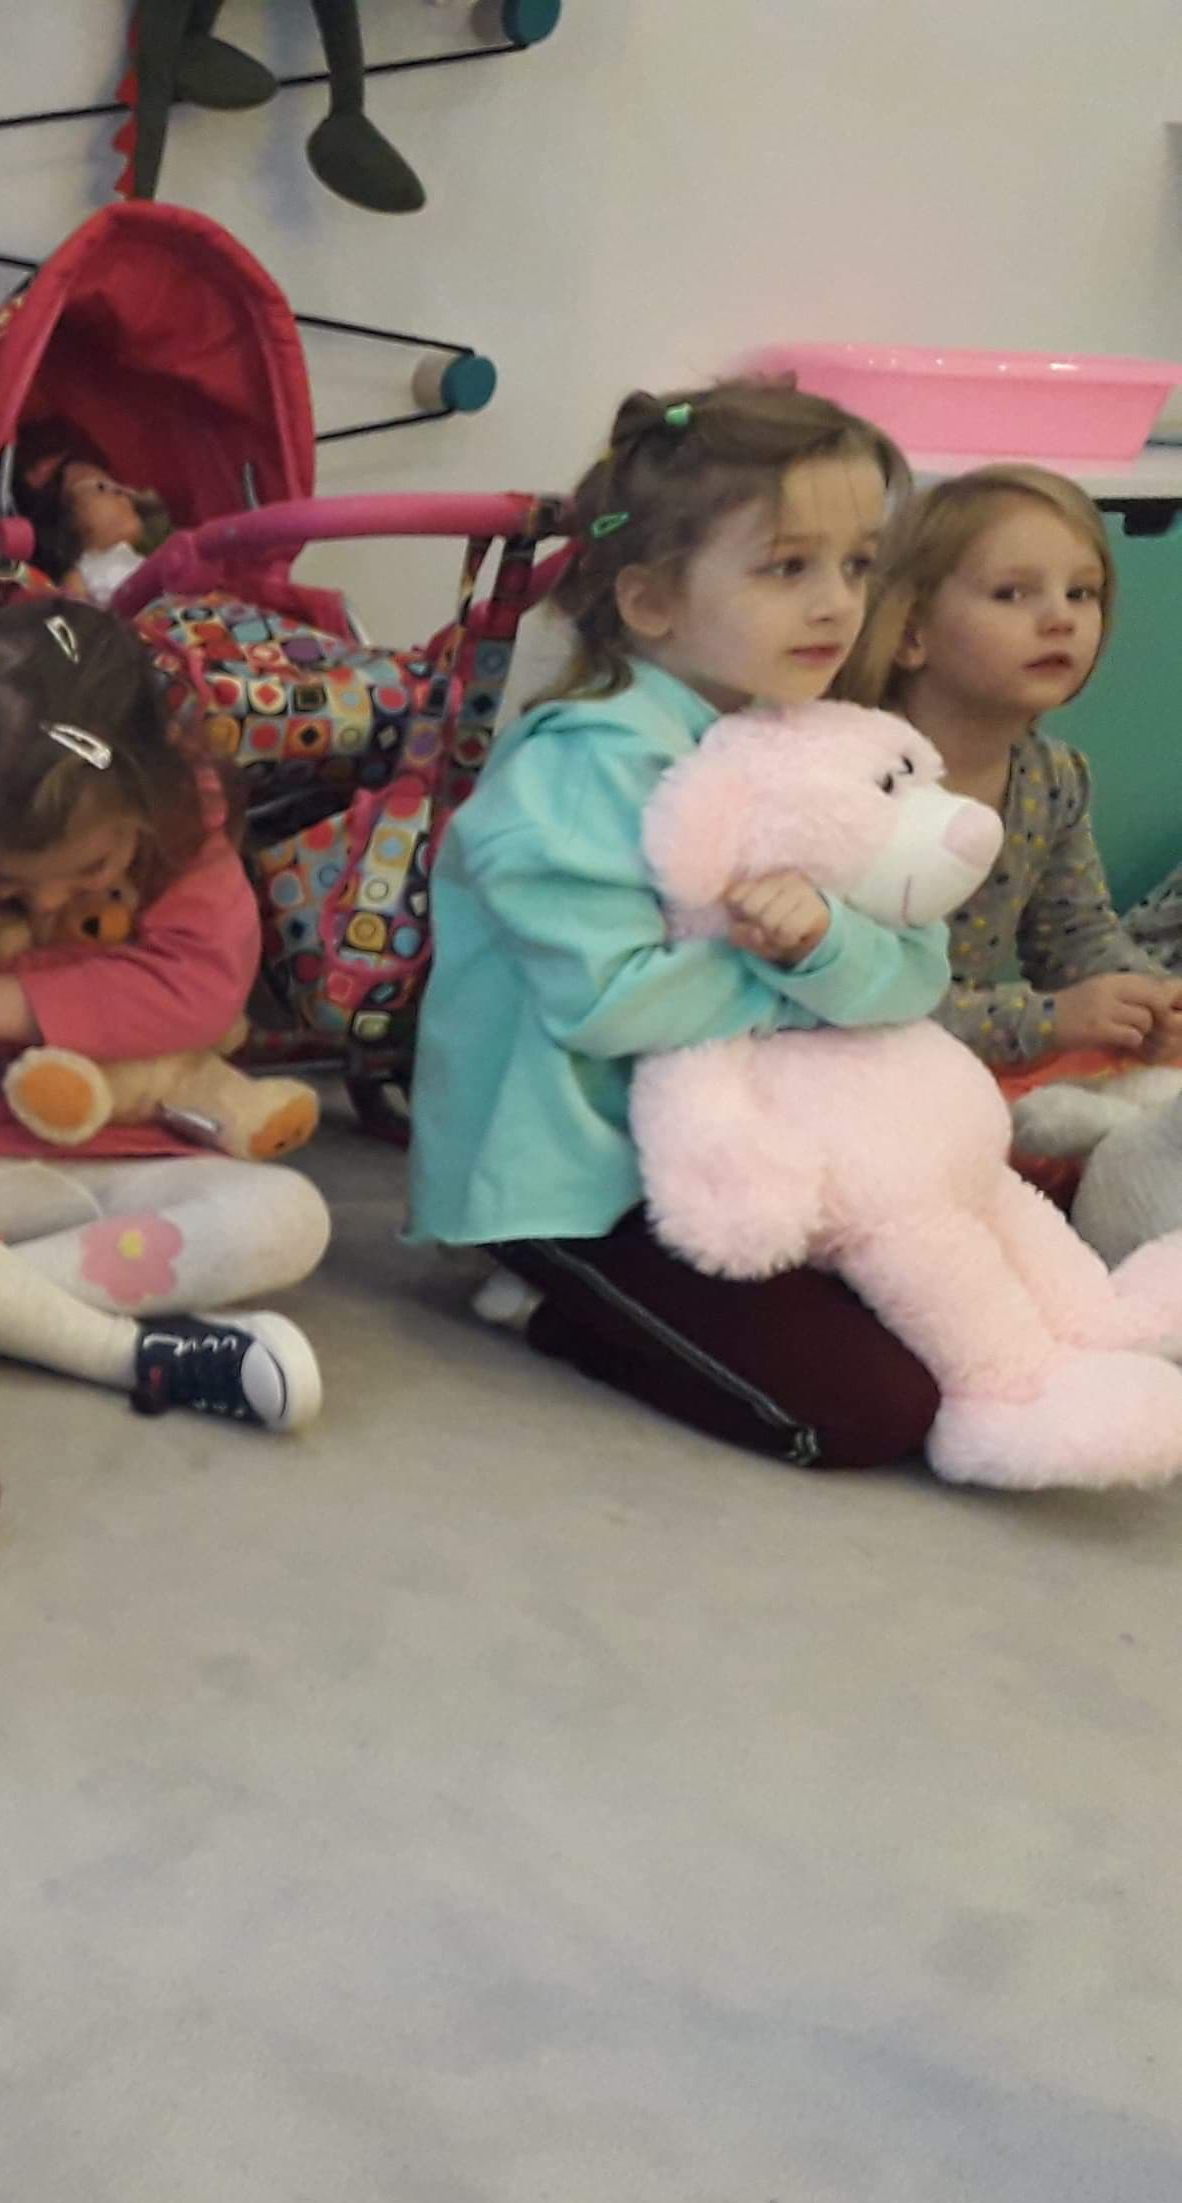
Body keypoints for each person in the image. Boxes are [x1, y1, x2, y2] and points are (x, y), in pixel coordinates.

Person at [406, 380, 950, 1468]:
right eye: (787, 568)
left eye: (856, 565)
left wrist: (826, 941)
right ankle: (550, 1306)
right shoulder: (579, 766)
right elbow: (609, 1004)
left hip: (756, 1143)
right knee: (875, 1412)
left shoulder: (818, 743)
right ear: (652, 602)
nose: (838, 605)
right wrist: (794, 974)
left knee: (950, 1303)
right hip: (576, 1184)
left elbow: (918, 970)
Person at [0, 600, 330, 1431]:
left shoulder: (184, 833)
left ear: (146, 798)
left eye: (89, 870)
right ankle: (115, 1347)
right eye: (7, 892)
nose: (51, 904)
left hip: (137, 1159)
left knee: (293, 1217)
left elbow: (201, 988)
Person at [838, 461, 1179, 1070]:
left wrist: (1153, 1001)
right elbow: (851, 993)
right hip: (830, 1062)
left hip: (951, 1068)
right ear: (911, 633)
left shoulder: (1053, 779)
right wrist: (1049, 1020)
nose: (1060, 619)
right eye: (1012, 594)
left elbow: (1076, 938)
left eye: (1082, 593)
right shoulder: (854, 773)